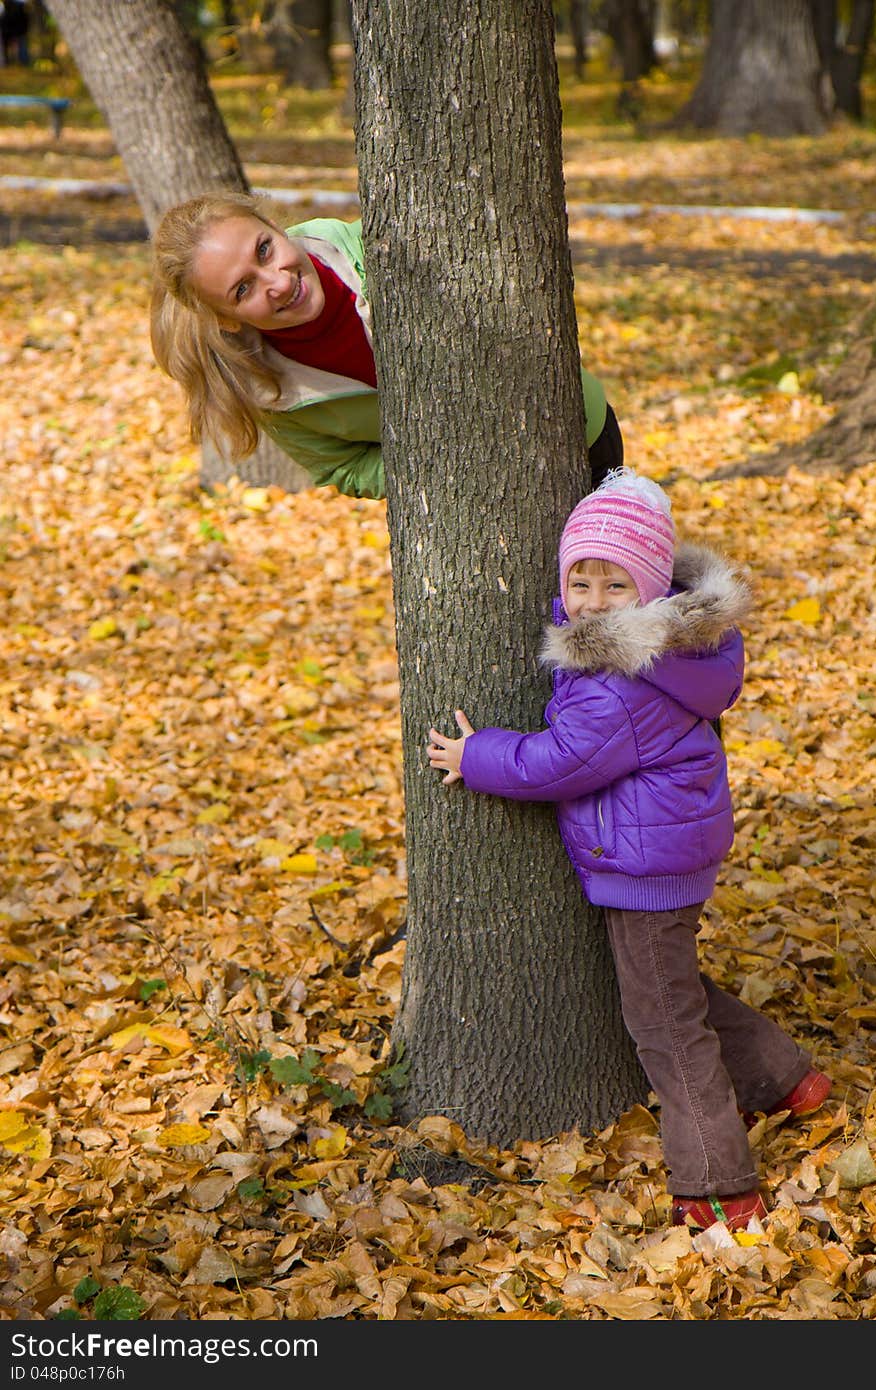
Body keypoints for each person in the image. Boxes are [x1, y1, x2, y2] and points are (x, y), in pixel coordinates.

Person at [426, 467, 832, 1231]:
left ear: (649, 592)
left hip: (644, 865)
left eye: (616, 586)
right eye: (581, 582)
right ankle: (788, 1080)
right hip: (666, 852)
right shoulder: (669, 654)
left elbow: (563, 761)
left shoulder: (620, 678)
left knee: (665, 1024)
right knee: (673, 990)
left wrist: (475, 755)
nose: (593, 601)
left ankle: (719, 1186)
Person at [149, 191, 624, 501]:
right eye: (242, 290)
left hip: (577, 432)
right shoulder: (268, 392)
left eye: (265, 250)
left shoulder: (378, 248)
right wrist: (431, 467)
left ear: (276, 227)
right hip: (485, 502)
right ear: (226, 322)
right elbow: (345, 466)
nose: (276, 282)